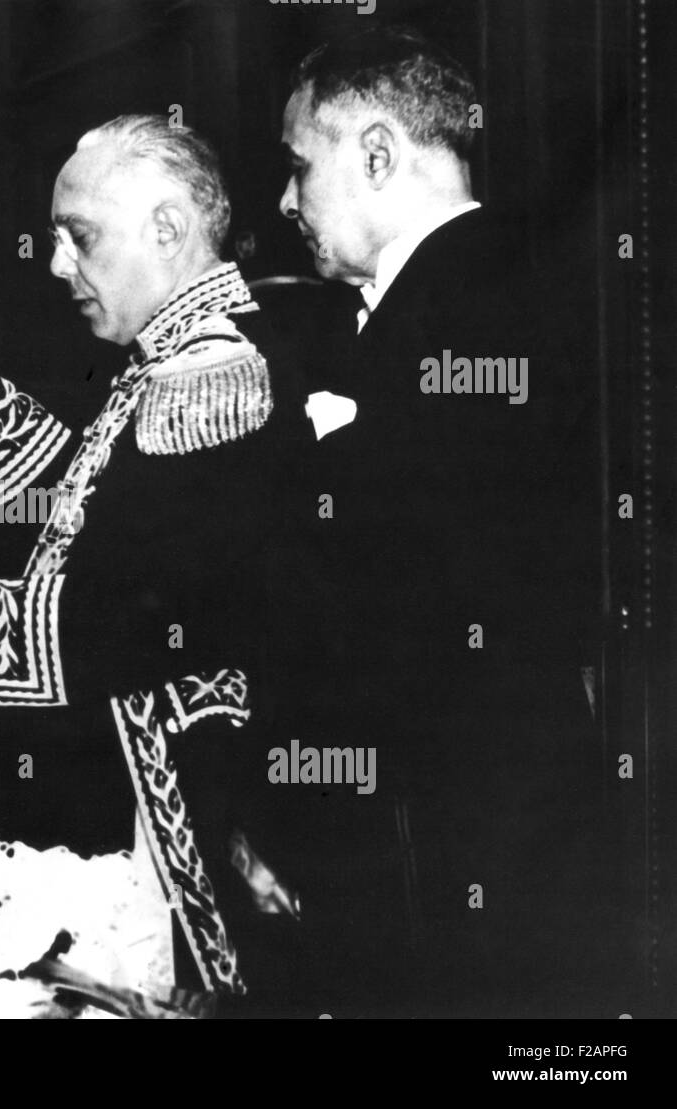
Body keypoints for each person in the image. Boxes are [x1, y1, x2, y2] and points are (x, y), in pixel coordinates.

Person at [0, 115, 312, 1005]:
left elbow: (139, 613)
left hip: (185, 824)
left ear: (167, 228)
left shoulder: (209, 374)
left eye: (78, 237)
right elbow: (91, 507)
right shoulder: (167, 363)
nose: (54, 264)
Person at [277, 26, 601, 1015]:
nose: (284, 201)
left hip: (484, 832)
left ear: (376, 153)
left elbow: (412, 557)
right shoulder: (453, 293)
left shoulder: (487, 290)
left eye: (298, 167)